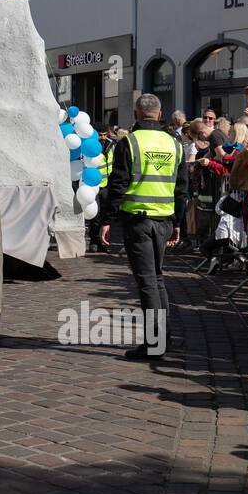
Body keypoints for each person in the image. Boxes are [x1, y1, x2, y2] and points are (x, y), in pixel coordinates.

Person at [99, 94, 187, 360]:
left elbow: (118, 183)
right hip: (164, 219)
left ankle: (154, 344)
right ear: (159, 115)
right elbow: (183, 189)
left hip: (137, 219)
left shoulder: (130, 142)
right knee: (157, 278)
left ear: (137, 114)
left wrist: (106, 220)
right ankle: (164, 336)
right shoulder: (175, 143)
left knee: (147, 281)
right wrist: (179, 222)